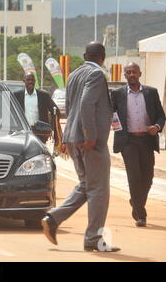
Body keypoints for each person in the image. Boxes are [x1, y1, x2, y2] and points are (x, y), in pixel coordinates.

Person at [41, 42, 120, 252]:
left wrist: (69, 138)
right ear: (103, 57)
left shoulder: (74, 74)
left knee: (87, 186)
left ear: (85, 55)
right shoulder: (96, 75)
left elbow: (70, 105)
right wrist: (90, 134)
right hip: (89, 140)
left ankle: (53, 219)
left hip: (73, 137)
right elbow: (86, 103)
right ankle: (93, 238)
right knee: (100, 190)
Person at [111, 62, 166, 227]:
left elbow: (161, 116)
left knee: (147, 178)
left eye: (134, 72)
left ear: (140, 74)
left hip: (147, 141)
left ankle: (135, 202)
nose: (131, 75)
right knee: (134, 177)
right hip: (128, 142)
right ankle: (141, 214)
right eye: (128, 72)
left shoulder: (151, 93)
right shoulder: (117, 94)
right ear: (125, 75)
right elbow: (112, 115)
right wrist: (119, 130)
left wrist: (156, 127)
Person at [13, 72, 61, 143]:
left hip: (40, 132)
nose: (30, 82)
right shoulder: (17, 96)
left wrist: (50, 127)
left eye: (32, 80)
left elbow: (56, 112)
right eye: (28, 80)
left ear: (35, 81)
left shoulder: (44, 95)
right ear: (24, 81)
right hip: (23, 132)